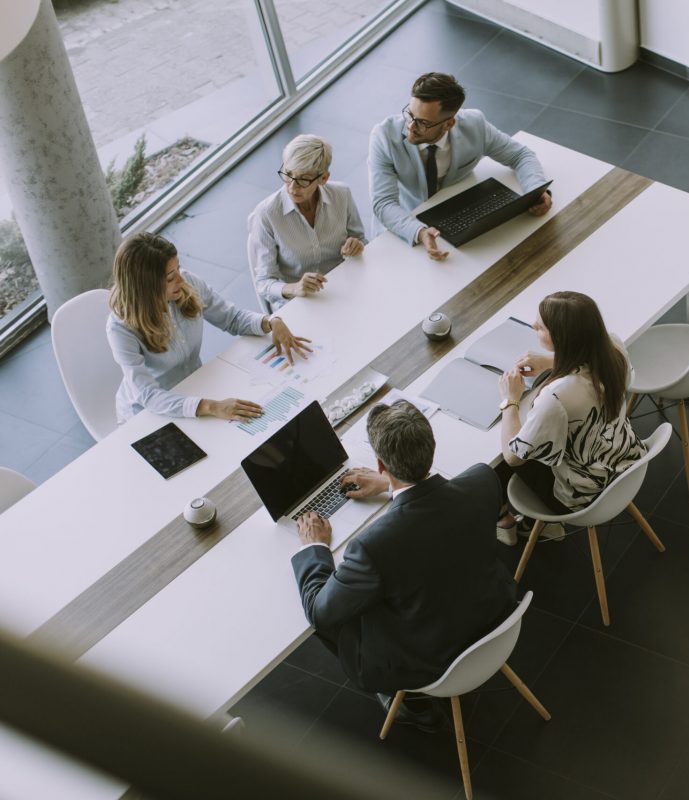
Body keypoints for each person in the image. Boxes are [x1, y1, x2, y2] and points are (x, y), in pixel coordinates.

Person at [291, 400, 517, 730]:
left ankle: (407, 700)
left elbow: (320, 611)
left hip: (431, 658)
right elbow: (444, 503)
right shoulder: (483, 481)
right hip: (495, 615)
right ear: (431, 445)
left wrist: (315, 546)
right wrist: (393, 486)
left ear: (380, 464)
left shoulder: (372, 547)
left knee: (335, 618)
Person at [106, 232, 311, 424]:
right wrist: (211, 406)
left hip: (197, 388)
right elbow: (147, 395)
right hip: (150, 414)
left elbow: (231, 318)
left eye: (178, 268)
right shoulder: (120, 328)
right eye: (170, 277)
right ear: (145, 286)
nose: (180, 279)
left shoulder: (187, 283)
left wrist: (271, 322)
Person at [495, 291, 648, 544]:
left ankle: (510, 521)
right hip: (622, 459)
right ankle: (532, 525)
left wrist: (509, 400)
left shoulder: (556, 397)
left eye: (540, 327)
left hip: (580, 495)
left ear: (562, 337)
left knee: (497, 462)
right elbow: (591, 357)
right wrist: (550, 361)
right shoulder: (615, 348)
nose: (533, 326)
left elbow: (513, 456)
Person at [368, 71, 552, 261]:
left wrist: (536, 191)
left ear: (449, 123)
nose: (411, 127)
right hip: (407, 222)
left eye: (423, 122)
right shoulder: (384, 136)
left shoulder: (475, 124)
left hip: (460, 212)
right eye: (409, 114)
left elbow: (520, 155)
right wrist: (420, 232)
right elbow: (383, 203)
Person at [247, 134, 366, 312]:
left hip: (345, 287)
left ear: (323, 178)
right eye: (288, 174)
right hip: (299, 304)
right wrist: (294, 288)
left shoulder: (342, 194)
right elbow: (264, 283)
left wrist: (357, 244)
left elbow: (360, 237)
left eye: (303, 180)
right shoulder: (266, 214)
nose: (292, 188)